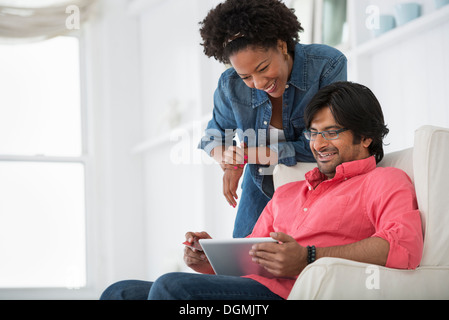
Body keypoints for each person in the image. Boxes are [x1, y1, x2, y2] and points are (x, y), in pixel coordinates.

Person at [100, 81, 423, 300]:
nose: (318, 144)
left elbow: (403, 246)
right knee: (121, 292)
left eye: (332, 132)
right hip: (248, 290)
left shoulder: (384, 181)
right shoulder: (288, 193)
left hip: (286, 295)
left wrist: (308, 257)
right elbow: (247, 262)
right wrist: (207, 259)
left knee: (171, 288)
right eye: (313, 133)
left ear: (366, 137)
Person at [197, 0, 347, 238]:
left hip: (317, 181)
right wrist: (228, 159)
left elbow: (326, 143)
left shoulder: (327, 65)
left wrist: (248, 155)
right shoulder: (231, 85)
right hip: (261, 184)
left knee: (295, 263)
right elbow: (213, 137)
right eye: (246, 76)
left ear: (281, 45)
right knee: (243, 264)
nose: (258, 84)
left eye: (263, 67)